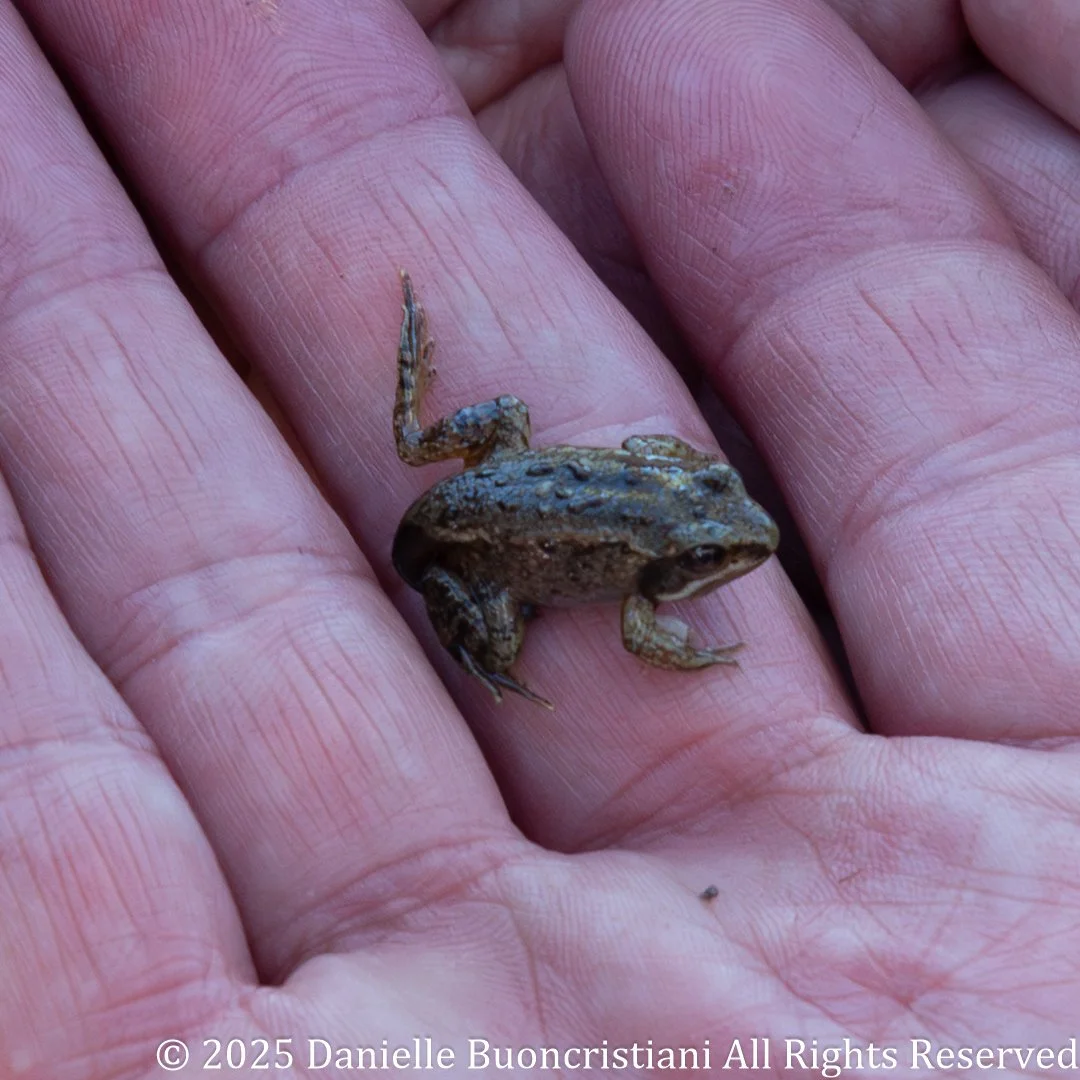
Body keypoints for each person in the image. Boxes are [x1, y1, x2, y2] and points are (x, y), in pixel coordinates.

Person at [2, 0, 1078, 1072]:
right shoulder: (646, 589)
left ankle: (418, 423)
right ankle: (466, 588)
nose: (734, 554)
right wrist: (698, 650)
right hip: (470, 550)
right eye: (714, 553)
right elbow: (648, 637)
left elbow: (671, 468)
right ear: (676, 561)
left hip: (508, 481)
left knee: (505, 424)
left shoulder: (668, 486)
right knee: (507, 642)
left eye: (719, 542)